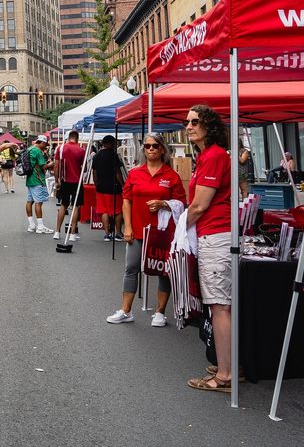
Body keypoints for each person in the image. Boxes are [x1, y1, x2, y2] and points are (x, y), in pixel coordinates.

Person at [105, 131, 184, 327]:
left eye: (155, 146)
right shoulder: (135, 173)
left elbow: (182, 203)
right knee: (131, 268)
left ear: (162, 149)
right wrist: (128, 227)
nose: (150, 149)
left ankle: (160, 312)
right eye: (147, 146)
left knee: (163, 271)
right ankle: (126, 310)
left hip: (162, 233)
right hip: (138, 230)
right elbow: (126, 201)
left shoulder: (171, 175)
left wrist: (164, 203)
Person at [183, 105, 234, 393]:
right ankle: (227, 365)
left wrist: (180, 226)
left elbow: (201, 204)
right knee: (220, 305)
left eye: (194, 122)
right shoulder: (207, 156)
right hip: (211, 234)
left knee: (219, 306)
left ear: (208, 126)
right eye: (187, 122)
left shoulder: (213, 156)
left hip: (215, 235)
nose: (188, 126)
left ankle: (225, 374)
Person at [54, 130, 85, 241]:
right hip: (77, 180)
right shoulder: (81, 150)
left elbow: (56, 165)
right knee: (75, 206)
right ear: (77, 138)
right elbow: (84, 168)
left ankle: (57, 231)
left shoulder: (60, 148)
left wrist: (56, 181)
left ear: (68, 137)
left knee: (63, 205)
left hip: (64, 180)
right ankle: (72, 233)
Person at [92, 136, 125, 241]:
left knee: (104, 211)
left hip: (101, 187)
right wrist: (123, 185)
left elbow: (94, 172)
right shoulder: (113, 155)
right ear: (110, 143)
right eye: (114, 143)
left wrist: (97, 184)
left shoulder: (97, 156)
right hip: (114, 187)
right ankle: (118, 233)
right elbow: (117, 172)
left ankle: (107, 234)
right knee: (118, 210)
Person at [25, 136, 53, 234]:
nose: (45, 147)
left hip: (29, 179)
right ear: (41, 142)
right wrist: (51, 163)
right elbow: (44, 166)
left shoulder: (29, 149)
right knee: (38, 202)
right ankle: (40, 227)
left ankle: (31, 225)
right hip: (37, 179)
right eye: (45, 145)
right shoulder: (38, 151)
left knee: (29, 201)